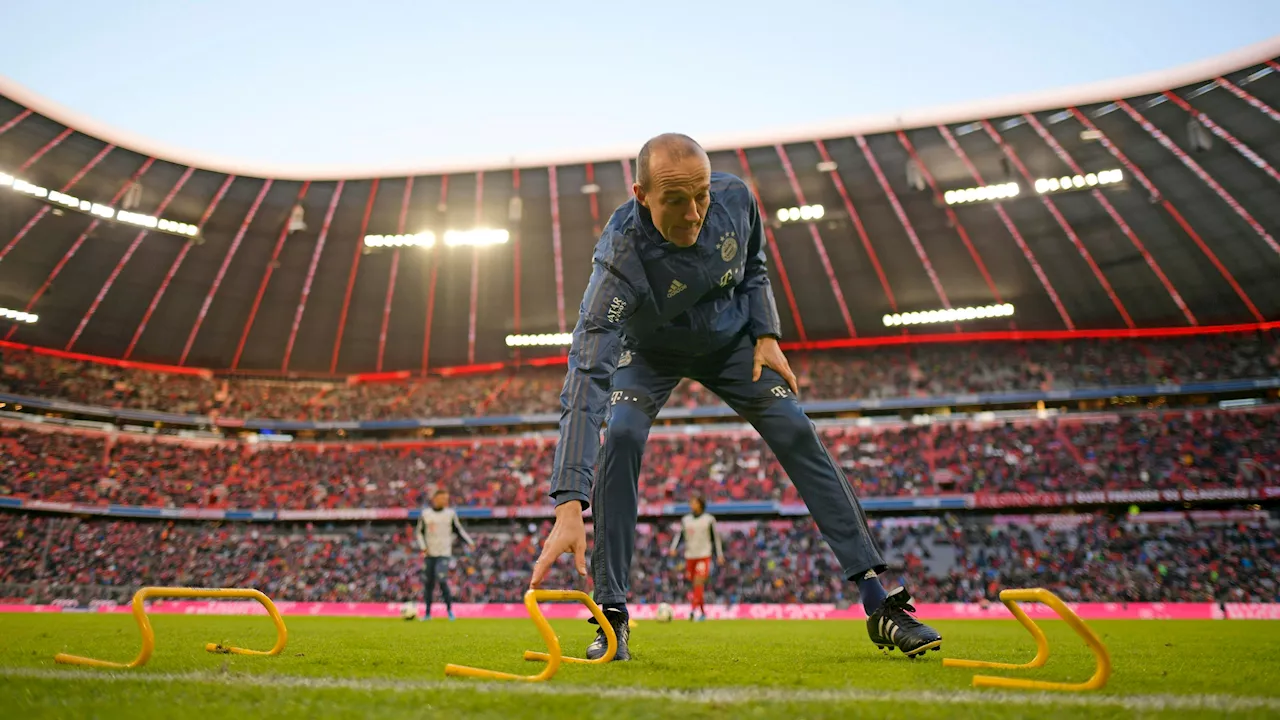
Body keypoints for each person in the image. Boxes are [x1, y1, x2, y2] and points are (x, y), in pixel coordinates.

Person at [530, 133, 942, 661]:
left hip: (729, 342)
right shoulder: (618, 263)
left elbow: (755, 265)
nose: (695, 212)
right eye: (675, 200)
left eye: (700, 194)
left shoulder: (736, 198)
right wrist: (569, 501)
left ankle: (878, 603)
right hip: (650, 353)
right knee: (624, 434)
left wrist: (766, 332)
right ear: (641, 196)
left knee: (795, 427)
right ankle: (611, 615)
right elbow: (586, 374)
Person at [415, 488, 473, 620]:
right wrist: (423, 547)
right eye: (443, 498)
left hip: (444, 553)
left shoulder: (450, 514)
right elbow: (419, 532)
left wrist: (469, 542)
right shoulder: (426, 514)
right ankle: (428, 613)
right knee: (428, 583)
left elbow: (458, 529)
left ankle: (449, 611)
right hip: (429, 554)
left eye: (446, 499)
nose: (445, 501)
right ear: (435, 499)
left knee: (441, 580)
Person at [668, 496, 723, 621]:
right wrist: (673, 548)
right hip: (690, 555)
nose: (691, 504)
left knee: (698, 582)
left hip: (704, 555)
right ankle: (703, 612)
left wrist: (719, 555)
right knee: (696, 586)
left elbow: (716, 538)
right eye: (691, 502)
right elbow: (679, 535)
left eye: (694, 502)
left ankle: (692, 610)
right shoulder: (686, 520)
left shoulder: (709, 519)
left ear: (701, 504)